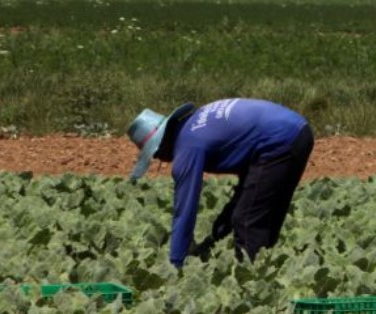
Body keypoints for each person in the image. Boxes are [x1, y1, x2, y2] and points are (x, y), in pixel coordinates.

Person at [126, 98, 313, 268]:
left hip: (278, 141)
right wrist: (221, 228)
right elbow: (250, 170)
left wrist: (176, 263)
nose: (161, 159)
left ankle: (250, 283)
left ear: (163, 143)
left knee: (246, 220)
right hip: (298, 131)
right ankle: (266, 268)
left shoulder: (187, 147)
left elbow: (185, 210)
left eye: (156, 154)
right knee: (267, 213)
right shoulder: (197, 123)